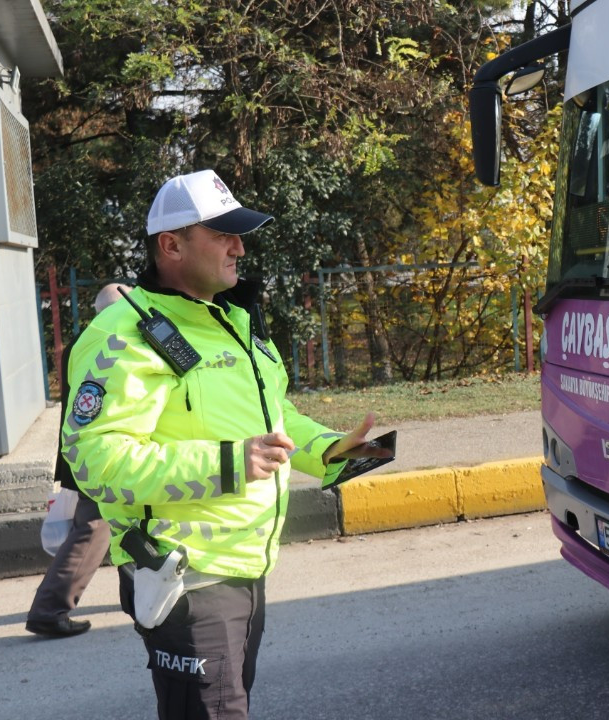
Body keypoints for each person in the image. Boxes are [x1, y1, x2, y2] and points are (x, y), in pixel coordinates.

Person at [59, 169, 390, 719]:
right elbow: (96, 460)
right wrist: (230, 464)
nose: (239, 247)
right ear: (171, 245)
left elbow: (273, 417)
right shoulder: (123, 334)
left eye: (239, 233)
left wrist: (333, 450)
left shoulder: (232, 321)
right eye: (222, 234)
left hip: (246, 570)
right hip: (185, 581)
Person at [26, 282, 131, 638]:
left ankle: (136, 597)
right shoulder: (111, 341)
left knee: (117, 526)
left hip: (87, 451)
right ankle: (49, 608)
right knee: (95, 528)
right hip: (104, 453)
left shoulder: (84, 341)